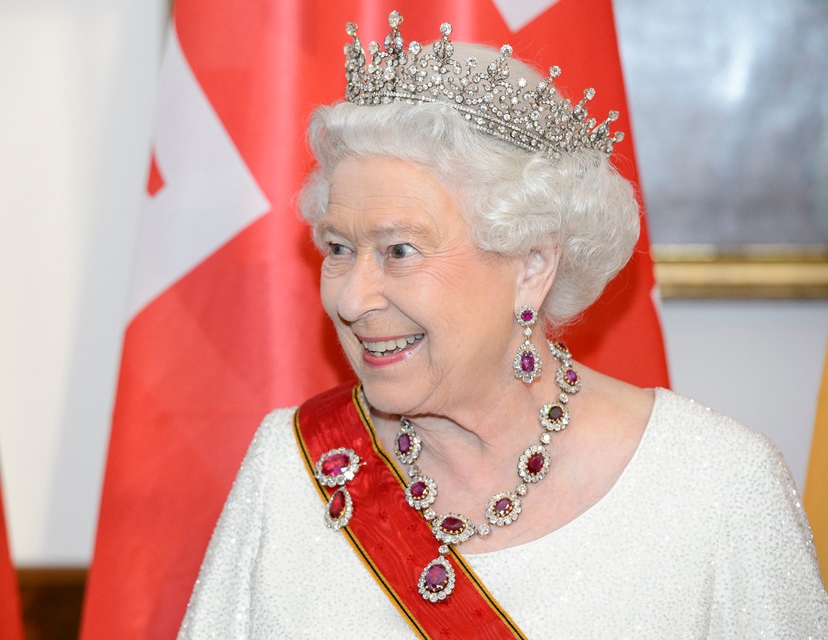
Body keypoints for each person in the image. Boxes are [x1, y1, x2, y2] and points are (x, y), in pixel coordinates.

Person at [178, 12, 828, 638]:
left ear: (533, 264)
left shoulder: (714, 488)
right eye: (338, 249)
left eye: (400, 251)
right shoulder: (290, 467)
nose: (351, 298)